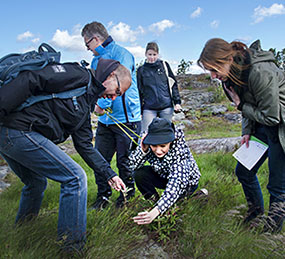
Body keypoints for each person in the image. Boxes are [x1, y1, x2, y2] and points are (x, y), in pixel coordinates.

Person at [0, 58, 130, 251]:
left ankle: (23, 230)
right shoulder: (78, 75)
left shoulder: (86, 101)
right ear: (111, 75)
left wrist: (109, 174)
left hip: (10, 134)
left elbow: (85, 146)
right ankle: (72, 249)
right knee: (76, 178)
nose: (114, 98)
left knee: (36, 183)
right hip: (16, 130)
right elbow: (31, 79)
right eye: (117, 91)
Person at [198, 38, 285, 233]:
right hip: (262, 125)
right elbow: (246, 103)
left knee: (277, 186)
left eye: (214, 69)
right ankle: (255, 216)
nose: (213, 76)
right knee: (244, 172)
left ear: (228, 58)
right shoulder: (228, 79)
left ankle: (270, 235)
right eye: (209, 71)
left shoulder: (259, 72)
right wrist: (246, 131)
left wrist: (241, 107)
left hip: (280, 127)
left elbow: (271, 116)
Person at [81, 21, 141, 209]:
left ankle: (127, 197)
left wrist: (102, 103)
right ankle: (103, 197)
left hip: (127, 118)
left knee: (125, 161)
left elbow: (117, 84)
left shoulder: (122, 54)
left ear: (96, 39)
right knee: (100, 159)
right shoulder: (95, 60)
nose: (88, 48)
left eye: (87, 44)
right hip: (105, 121)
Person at [129, 118, 201, 224]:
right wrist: (142, 151)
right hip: (162, 176)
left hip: (186, 183)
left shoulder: (180, 152)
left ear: (170, 142)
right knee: (139, 173)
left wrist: (155, 212)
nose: (158, 151)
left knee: (176, 207)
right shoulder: (147, 141)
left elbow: (176, 185)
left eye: (163, 146)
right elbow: (131, 167)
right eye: (154, 146)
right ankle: (154, 203)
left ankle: (196, 196)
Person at [137, 42, 182, 133]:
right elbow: (139, 91)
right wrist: (140, 111)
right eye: (150, 54)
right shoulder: (141, 70)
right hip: (149, 108)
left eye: (154, 54)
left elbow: (173, 84)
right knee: (145, 133)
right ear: (145, 54)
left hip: (166, 106)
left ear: (158, 54)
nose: (152, 57)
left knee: (166, 133)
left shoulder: (164, 66)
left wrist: (177, 102)